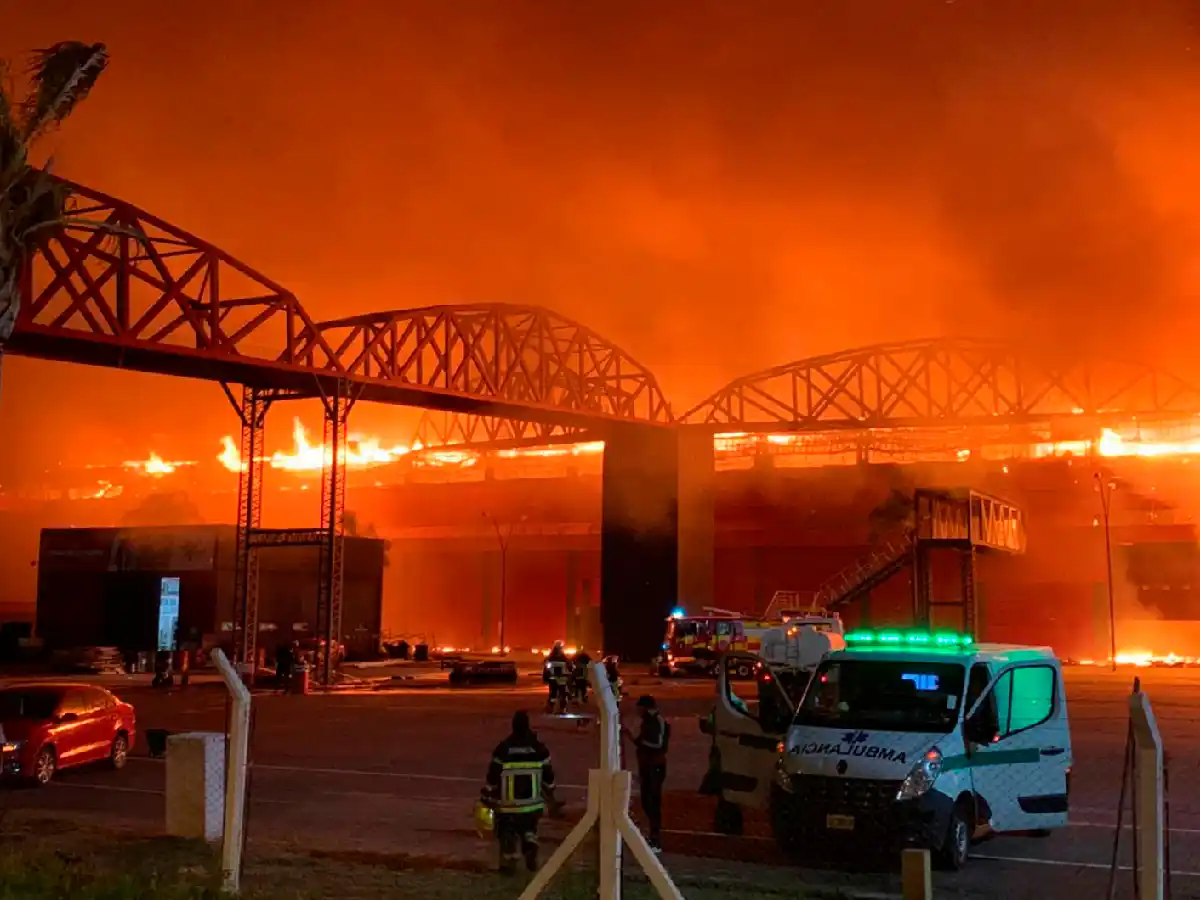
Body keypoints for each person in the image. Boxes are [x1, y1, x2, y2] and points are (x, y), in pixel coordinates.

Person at [482, 710, 561, 874]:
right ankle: (530, 839)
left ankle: (509, 861)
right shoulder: (539, 749)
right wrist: (552, 795)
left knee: (506, 829)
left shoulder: (503, 749)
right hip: (533, 805)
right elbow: (549, 777)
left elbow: (493, 775)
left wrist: (487, 795)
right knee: (529, 825)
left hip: (508, 806)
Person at [622, 695, 670, 852]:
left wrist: (639, 742)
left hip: (655, 766)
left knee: (653, 802)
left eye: (639, 708)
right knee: (646, 801)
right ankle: (652, 836)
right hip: (646, 765)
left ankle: (656, 840)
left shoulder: (658, 721)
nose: (637, 711)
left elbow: (659, 744)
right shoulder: (648, 721)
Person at [544, 642, 570, 713]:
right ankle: (555, 707)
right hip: (559, 679)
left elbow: (546, 669)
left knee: (556, 694)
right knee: (557, 694)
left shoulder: (551, 658)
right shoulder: (563, 658)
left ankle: (555, 707)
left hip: (557, 679)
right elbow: (547, 669)